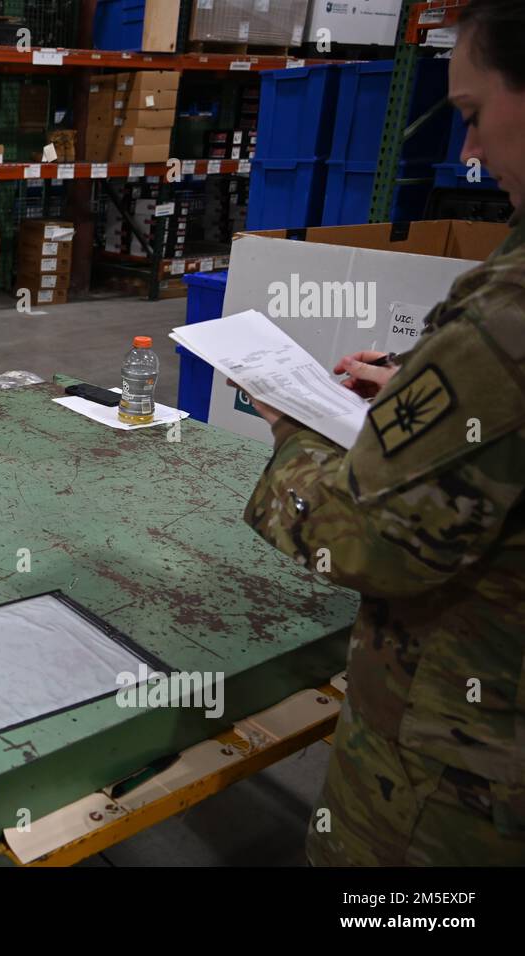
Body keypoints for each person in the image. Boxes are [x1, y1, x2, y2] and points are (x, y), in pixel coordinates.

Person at [240, 0, 525, 865]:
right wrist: (426, 392)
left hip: (461, 774)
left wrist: (293, 434)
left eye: (473, 115)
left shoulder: (508, 317)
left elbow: (365, 538)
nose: (468, 152)